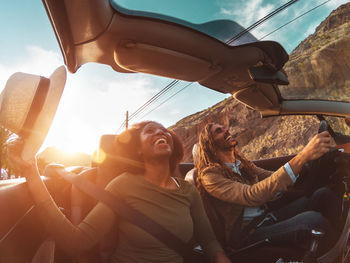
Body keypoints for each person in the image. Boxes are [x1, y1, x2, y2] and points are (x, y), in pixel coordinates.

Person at [8, 121, 231, 263]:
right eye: (149, 131)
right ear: (138, 149)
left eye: (163, 130)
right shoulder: (123, 185)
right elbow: (77, 241)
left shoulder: (188, 190)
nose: (160, 132)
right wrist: (31, 171)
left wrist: (221, 258)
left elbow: (209, 241)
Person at [196, 123, 342, 251]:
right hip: (248, 233)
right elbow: (251, 195)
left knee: (323, 195)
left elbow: (271, 177)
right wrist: (302, 156)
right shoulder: (210, 176)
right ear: (210, 144)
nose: (226, 130)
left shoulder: (241, 164)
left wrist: (305, 162)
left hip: (266, 216)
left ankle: (340, 241)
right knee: (313, 221)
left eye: (224, 128)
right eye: (218, 131)